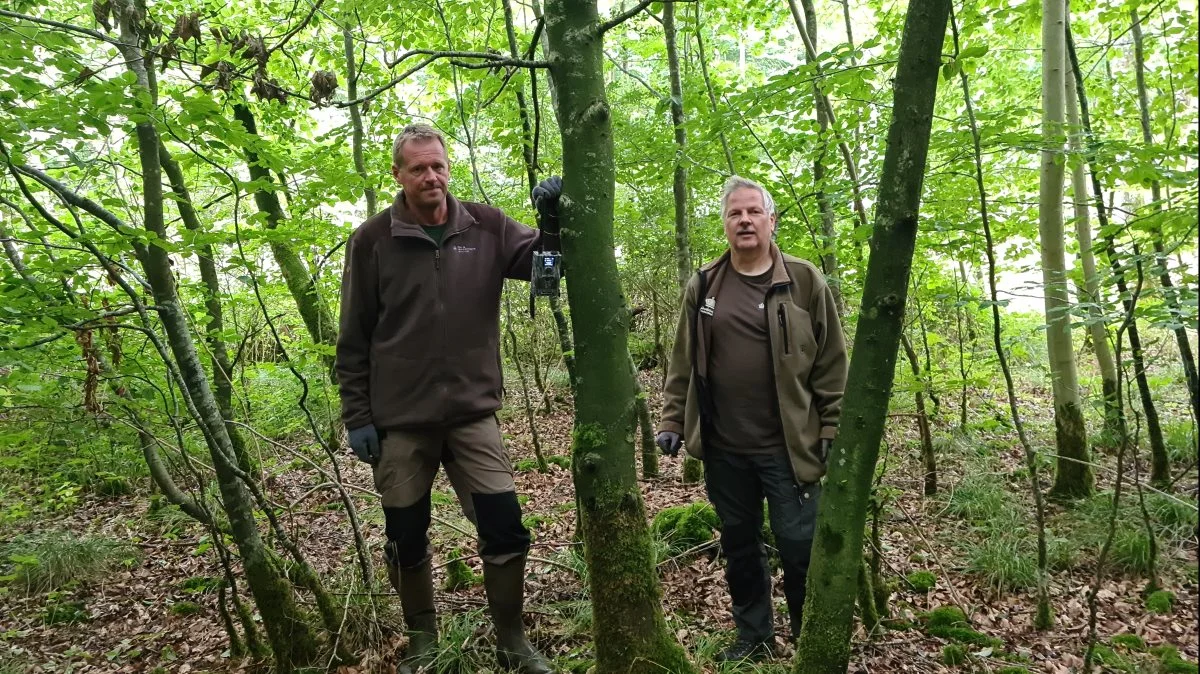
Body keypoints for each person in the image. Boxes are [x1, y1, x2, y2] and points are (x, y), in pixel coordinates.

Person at [335, 123, 560, 674]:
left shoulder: (486, 226)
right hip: (400, 422)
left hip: (471, 415)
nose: (430, 176)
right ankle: (423, 643)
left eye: (438, 165)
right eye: (418, 168)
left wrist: (553, 226)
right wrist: (358, 416)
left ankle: (512, 642)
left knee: (505, 528)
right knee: (405, 537)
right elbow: (353, 336)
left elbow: (546, 276)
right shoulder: (372, 241)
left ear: (448, 167)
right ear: (398, 174)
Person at [655, 175, 848, 662]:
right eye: (734, 213)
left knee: (799, 544)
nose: (744, 220)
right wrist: (673, 420)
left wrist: (832, 425)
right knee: (740, 545)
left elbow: (831, 362)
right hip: (725, 447)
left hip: (790, 446)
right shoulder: (705, 284)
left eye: (753, 212)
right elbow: (683, 361)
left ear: (771, 220)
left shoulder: (804, 280)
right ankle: (754, 637)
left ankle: (808, 638)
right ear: (724, 223)